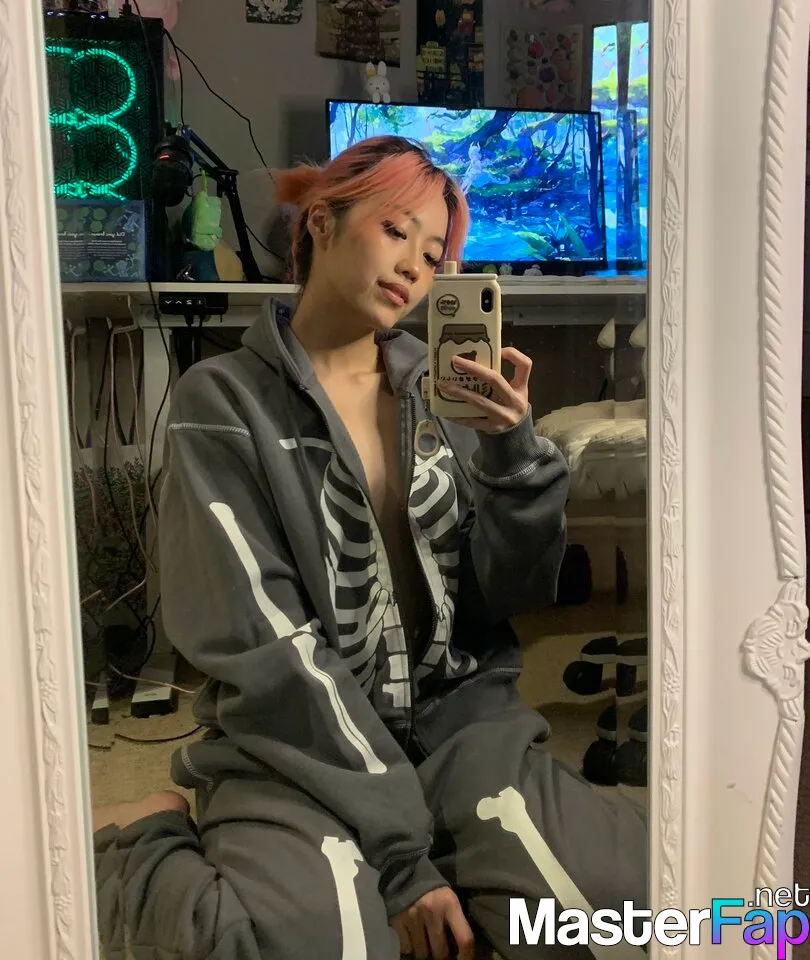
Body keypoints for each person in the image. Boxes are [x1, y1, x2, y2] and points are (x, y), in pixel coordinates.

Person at [93, 135, 647, 960]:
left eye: (434, 253)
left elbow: (509, 595)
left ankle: (461, 834)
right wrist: (401, 856)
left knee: (610, 913)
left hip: (457, 718)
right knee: (300, 943)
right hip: (294, 742)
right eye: (395, 231)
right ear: (322, 220)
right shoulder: (222, 404)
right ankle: (142, 835)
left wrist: (515, 459)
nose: (414, 268)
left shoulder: (442, 393)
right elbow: (265, 645)